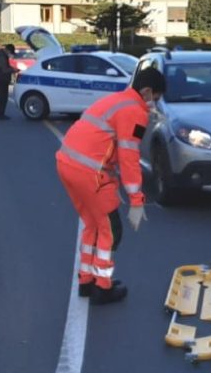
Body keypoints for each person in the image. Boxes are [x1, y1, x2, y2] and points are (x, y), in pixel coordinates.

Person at [56, 67, 165, 305]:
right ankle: (102, 288)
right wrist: (137, 201)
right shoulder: (135, 112)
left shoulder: (117, 99)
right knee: (111, 230)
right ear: (146, 91)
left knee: (93, 225)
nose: (154, 104)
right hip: (91, 173)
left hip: (68, 164)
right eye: (155, 98)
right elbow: (129, 157)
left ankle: (86, 282)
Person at [0, 44, 19, 120]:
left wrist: (13, 68)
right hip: (0, 80)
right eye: (11, 53)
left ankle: (1, 114)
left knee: (3, 97)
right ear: (7, 50)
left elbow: (6, 67)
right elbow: (4, 69)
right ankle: (0, 115)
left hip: (2, 79)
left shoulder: (3, 56)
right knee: (2, 98)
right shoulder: (1, 57)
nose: (11, 55)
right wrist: (14, 70)